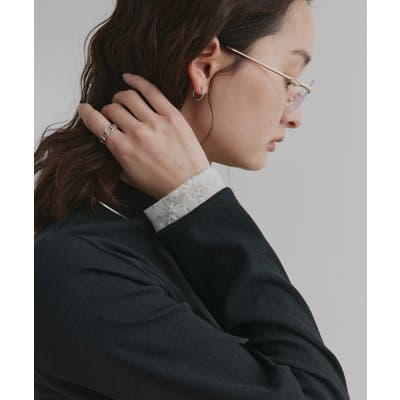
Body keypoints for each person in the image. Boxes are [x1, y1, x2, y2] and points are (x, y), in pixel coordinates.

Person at [34, 0, 351, 398]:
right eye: (289, 79)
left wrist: (193, 201)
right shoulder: (79, 271)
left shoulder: (164, 235)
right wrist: (197, 198)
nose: (295, 115)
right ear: (204, 67)